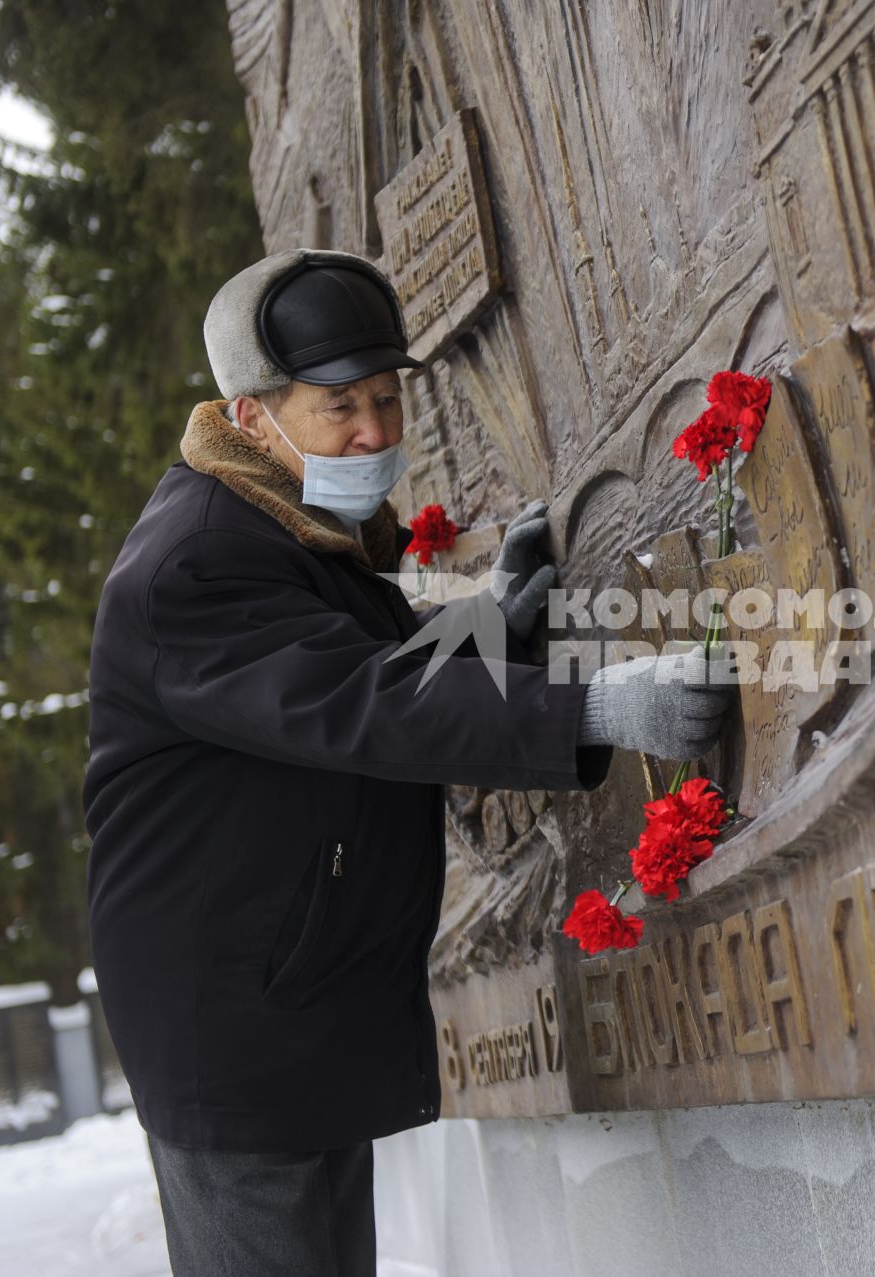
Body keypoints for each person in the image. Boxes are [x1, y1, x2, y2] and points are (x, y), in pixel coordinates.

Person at [82, 247, 732, 1276]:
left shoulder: (289, 525)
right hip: (234, 1020)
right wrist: (594, 706)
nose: (376, 431)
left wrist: (491, 627)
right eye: (339, 407)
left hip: (290, 994)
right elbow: (355, 702)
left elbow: (359, 667)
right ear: (252, 415)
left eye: (387, 398)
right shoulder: (193, 563)